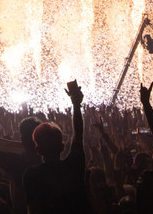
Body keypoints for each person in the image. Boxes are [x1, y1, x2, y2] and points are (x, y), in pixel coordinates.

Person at [23, 80, 90, 214]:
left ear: (38, 150)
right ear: (62, 146)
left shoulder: (32, 175)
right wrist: (76, 105)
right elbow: (78, 134)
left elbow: (34, 209)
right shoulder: (74, 165)